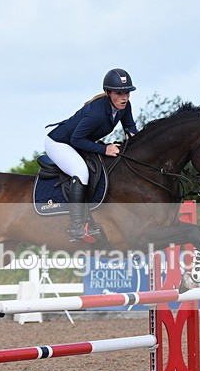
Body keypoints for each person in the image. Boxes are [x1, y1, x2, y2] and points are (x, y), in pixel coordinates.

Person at [45, 68, 139, 242]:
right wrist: (105, 149)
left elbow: (130, 128)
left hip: (80, 142)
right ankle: (76, 227)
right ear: (108, 93)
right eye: (119, 93)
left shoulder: (124, 107)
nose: (124, 97)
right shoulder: (96, 113)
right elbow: (76, 139)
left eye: (127, 93)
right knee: (81, 172)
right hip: (59, 143)